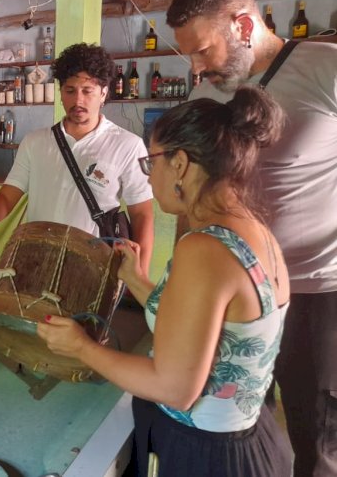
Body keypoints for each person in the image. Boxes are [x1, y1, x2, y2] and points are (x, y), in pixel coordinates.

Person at [38, 86, 292, 476]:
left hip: (206, 458)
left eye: (150, 162)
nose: (149, 176)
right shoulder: (254, 232)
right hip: (248, 443)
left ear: (181, 164)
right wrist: (137, 280)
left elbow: (175, 387)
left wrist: (81, 347)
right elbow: (205, 327)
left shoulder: (203, 248)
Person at [166, 0, 337, 477]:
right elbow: (193, 193)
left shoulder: (325, 68)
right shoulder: (213, 99)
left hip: (316, 292)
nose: (197, 67)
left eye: (203, 50)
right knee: (242, 429)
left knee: (319, 441)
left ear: (243, 24)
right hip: (233, 296)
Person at [0, 43, 154, 275]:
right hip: (38, 260)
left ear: (104, 92)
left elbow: (142, 214)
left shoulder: (127, 145)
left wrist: (141, 275)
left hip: (94, 269)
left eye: (87, 90)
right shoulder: (35, 142)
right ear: (60, 91)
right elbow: (7, 196)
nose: (78, 100)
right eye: (70, 90)